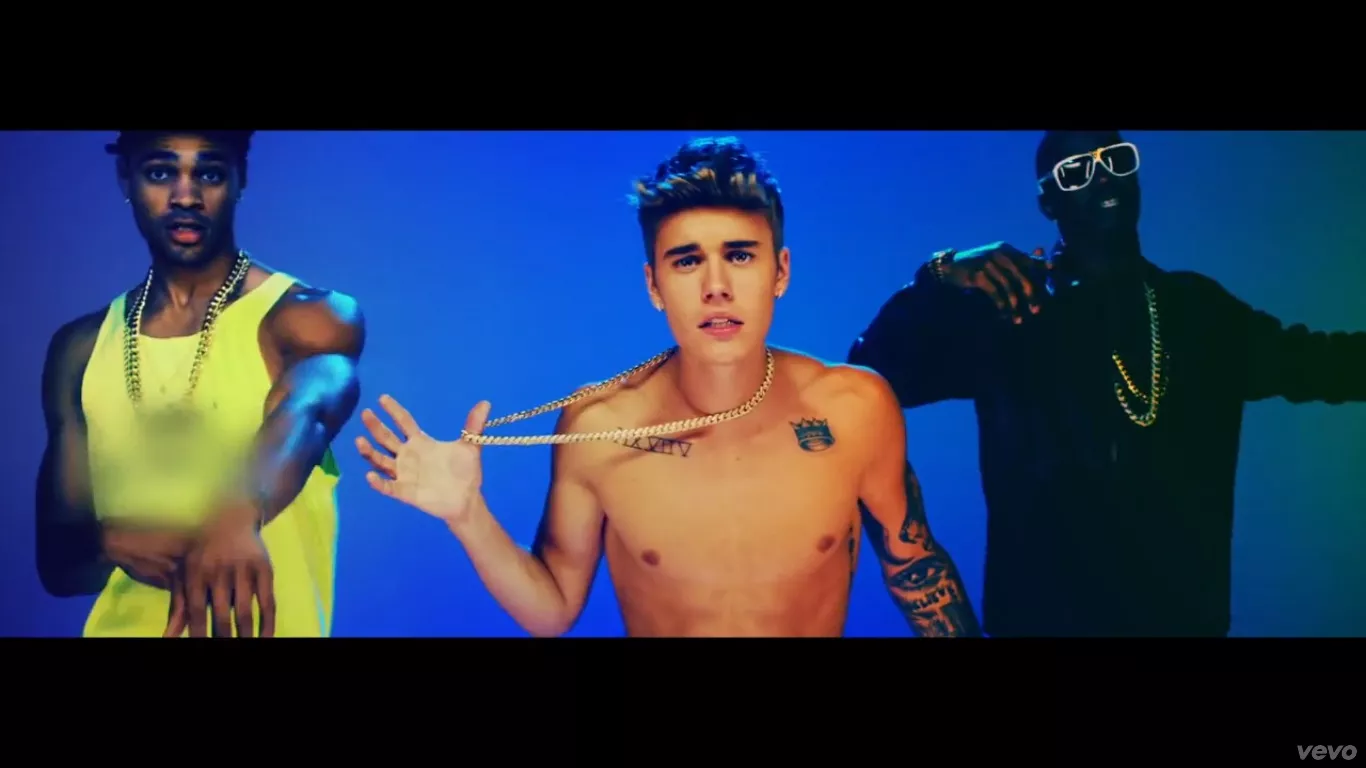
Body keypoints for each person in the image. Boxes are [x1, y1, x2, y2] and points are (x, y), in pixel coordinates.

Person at [356, 136, 978, 637]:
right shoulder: (599, 425)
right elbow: (552, 610)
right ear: (654, 284)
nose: (716, 287)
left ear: (780, 271)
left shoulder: (854, 408)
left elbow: (916, 565)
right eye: (687, 261)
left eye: (740, 255)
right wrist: (467, 515)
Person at [848, 129, 1366, 637]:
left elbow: (1326, 364)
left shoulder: (1200, 311)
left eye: (1116, 159)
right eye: (1076, 171)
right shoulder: (1010, 311)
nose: (1102, 177)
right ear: (1048, 201)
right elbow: (871, 373)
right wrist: (938, 274)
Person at [35, 130, 365, 638]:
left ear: (239, 179)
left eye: (208, 173)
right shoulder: (80, 348)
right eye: (160, 172)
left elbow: (314, 405)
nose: (185, 196)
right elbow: (57, 565)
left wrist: (238, 510)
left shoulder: (307, 317)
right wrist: (110, 542)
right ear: (126, 178)